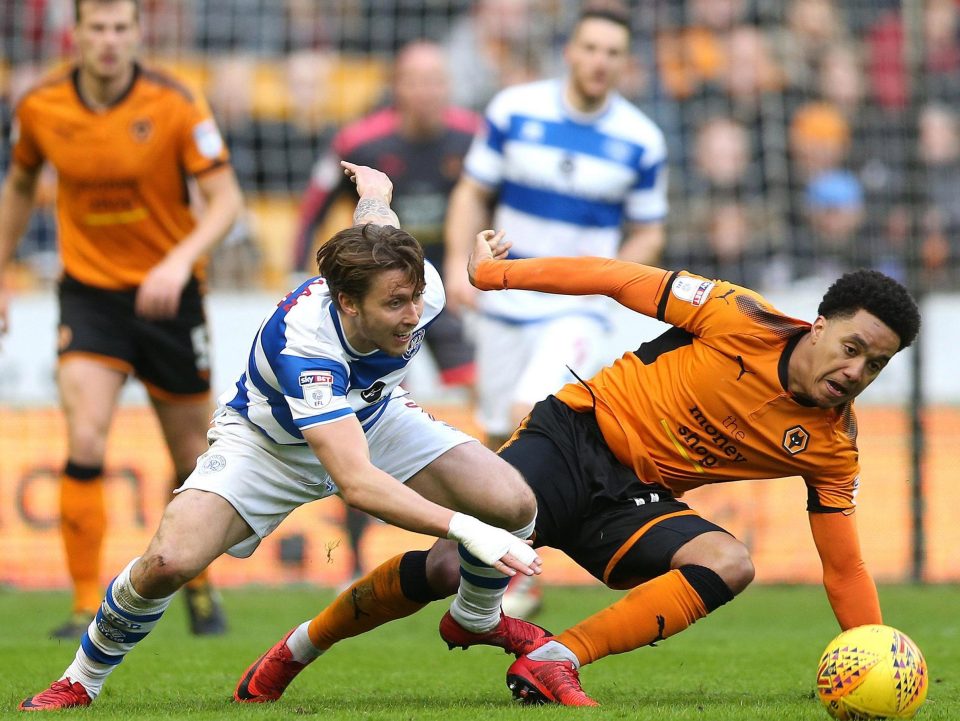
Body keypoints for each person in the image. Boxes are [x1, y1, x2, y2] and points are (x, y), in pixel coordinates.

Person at [235, 227, 920, 708]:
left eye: (876, 364)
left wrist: (873, 657)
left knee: (730, 561)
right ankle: (295, 649)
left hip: (636, 498)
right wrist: (496, 275)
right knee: (449, 567)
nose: (856, 371)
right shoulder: (736, 314)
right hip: (573, 437)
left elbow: (844, 566)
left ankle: (552, 659)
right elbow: (615, 278)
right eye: (853, 347)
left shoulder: (832, 444)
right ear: (819, 323)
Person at [17, 162, 545, 711]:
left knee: (511, 502)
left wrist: (375, 190)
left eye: (414, 298)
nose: (413, 316)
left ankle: (476, 618)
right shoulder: (306, 346)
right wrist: (465, 529)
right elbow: (357, 483)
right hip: (268, 445)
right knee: (168, 563)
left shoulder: (417, 288)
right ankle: (81, 678)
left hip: (375, 415)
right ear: (347, 303)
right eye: (394, 305)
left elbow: (378, 226)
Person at [0, 0, 242, 638]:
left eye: (120, 28)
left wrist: (179, 259)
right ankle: (85, 603)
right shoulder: (41, 107)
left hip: (171, 296)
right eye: (97, 28)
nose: (108, 40)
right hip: (90, 296)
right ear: (75, 35)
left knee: (192, 452)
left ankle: (197, 585)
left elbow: (226, 200)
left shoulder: (176, 103)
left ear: (138, 34)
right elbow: (22, 184)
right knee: (84, 439)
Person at [443, 1, 668, 451]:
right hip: (504, 293)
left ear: (626, 62)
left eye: (612, 52)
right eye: (591, 48)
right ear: (569, 51)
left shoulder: (641, 140)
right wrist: (455, 261)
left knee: (529, 417)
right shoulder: (514, 109)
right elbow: (472, 191)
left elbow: (650, 229)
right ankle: (512, 523)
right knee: (496, 435)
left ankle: (555, 520)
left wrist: (609, 278)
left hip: (576, 306)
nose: (600, 61)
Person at [292, 40, 478, 395]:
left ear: (448, 86)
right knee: (380, 390)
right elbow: (313, 207)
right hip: (382, 288)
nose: (425, 92)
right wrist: (295, 267)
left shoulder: (474, 138)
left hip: (447, 284)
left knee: (476, 383)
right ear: (397, 87)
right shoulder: (360, 142)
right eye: (415, 81)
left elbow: (493, 204)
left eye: (434, 80)